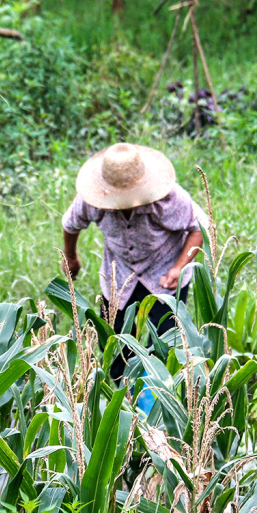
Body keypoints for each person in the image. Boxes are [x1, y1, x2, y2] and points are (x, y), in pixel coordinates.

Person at [61, 143, 207, 379]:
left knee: (167, 342)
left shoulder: (168, 198)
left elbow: (200, 227)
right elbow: (70, 224)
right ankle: (123, 398)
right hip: (119, 275)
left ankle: (163, 399)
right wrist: (70, 256)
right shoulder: (92, 200)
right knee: (114, 343)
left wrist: (179, 267)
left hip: (164, 274)